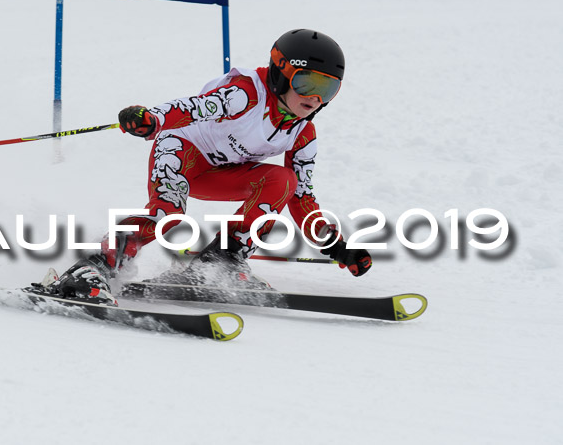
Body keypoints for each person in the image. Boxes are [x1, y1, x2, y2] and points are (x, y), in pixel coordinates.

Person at [42, 29, 372, 305]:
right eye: (306, 83)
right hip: (181, 151)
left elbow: (301, 199)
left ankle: (222, 260)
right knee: (168, 215)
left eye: (326, 88)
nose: (315, 98)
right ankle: (95, 266)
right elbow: (193, 108)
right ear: (281, 72)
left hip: (220, 173)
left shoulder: (303, 133)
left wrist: (336, 246)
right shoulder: (245, 95)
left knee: (282, 180)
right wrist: (153, 120)